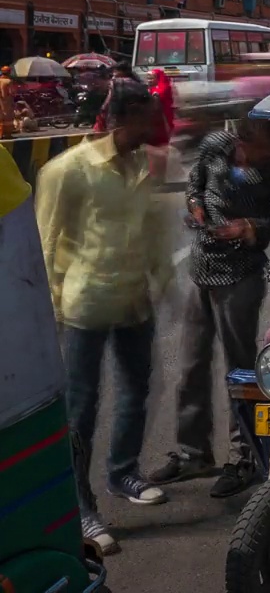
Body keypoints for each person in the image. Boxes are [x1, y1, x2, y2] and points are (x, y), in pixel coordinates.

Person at [35, 80, 172, 553]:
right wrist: (49, 310)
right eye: (149, 117)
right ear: (124, 119)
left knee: (136, 392)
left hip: (134, 302)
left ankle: (123, 474)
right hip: (84, 307)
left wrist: (165, 281)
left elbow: (149, 229)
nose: (157, 125)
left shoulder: (140, 166)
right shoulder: (68, 171)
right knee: (81, 411)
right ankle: (80, 507)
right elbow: (47, 245)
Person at [148, 120, 270, 497]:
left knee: (239, 371)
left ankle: (245, 458)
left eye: (266, 144)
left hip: (241, 276)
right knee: (190, 366)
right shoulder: (215, 146)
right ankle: (193, 453)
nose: (258, 152)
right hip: (203, 269)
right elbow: (195, 185)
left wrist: (252, 228)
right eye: (251, 143)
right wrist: (196, 206)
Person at [148, 67, 176, 148]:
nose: (149, 80)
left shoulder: (163, 87)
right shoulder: (151, 88)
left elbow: (158, 98)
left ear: (158, 78)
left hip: (164, 116)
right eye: (148, 78)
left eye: (151, 78)